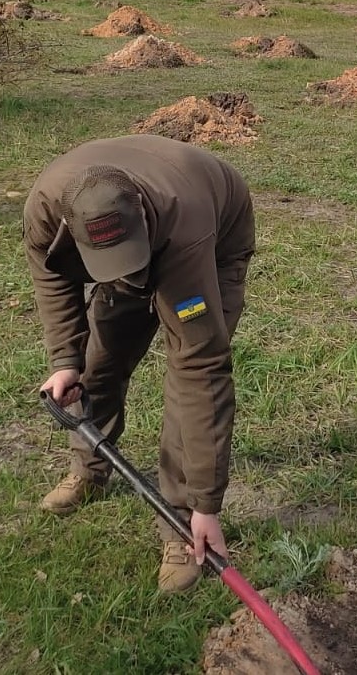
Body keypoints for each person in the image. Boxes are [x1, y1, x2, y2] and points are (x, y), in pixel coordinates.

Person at [25, 134, 255, 593]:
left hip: (212, 240)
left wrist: (207, 504)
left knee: (187, 377)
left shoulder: (186, 227)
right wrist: (65, 359)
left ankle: (183, 522)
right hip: (147, 223)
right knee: (99, 362)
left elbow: (200, 370)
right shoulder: (45, 208)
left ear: (141, 218)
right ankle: (88, 467)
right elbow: (52, 279)